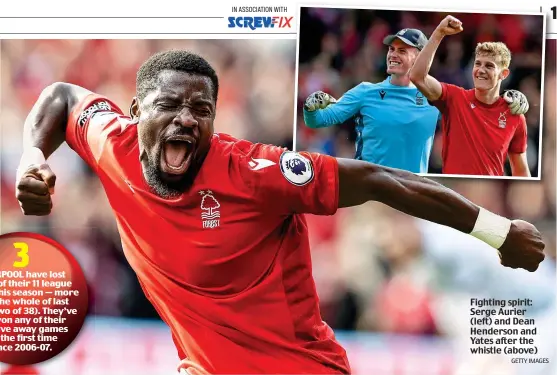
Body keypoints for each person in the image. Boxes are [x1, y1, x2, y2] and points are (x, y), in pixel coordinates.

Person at [15, 50, 545, 374]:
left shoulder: (251, 173)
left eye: (201, 110)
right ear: (135, 115)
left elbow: (381, 179)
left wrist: (497, 231)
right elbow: (60, 96)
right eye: (168, 107)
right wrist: (32, 159)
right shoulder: (114, 143)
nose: (185, 121)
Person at [303, 28, 529, 174]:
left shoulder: (434, 99)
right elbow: (320, 120)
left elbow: (478, 107)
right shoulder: (366, 91)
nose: (392, 54)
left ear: (420, 57)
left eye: (402, 50)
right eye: (391, 49)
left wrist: (516, 99)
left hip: (413, 190)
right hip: (370, 184)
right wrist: (310, 108)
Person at [409, 16, 532, 177]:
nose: (480, 70)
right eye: (478, 63)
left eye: (489, 66)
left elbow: (521, 170)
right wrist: (439, 33)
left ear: (504, 74)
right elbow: (417, 76)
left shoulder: (515, 116)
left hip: (487, 198)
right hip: (454, 194)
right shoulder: (454, 97)